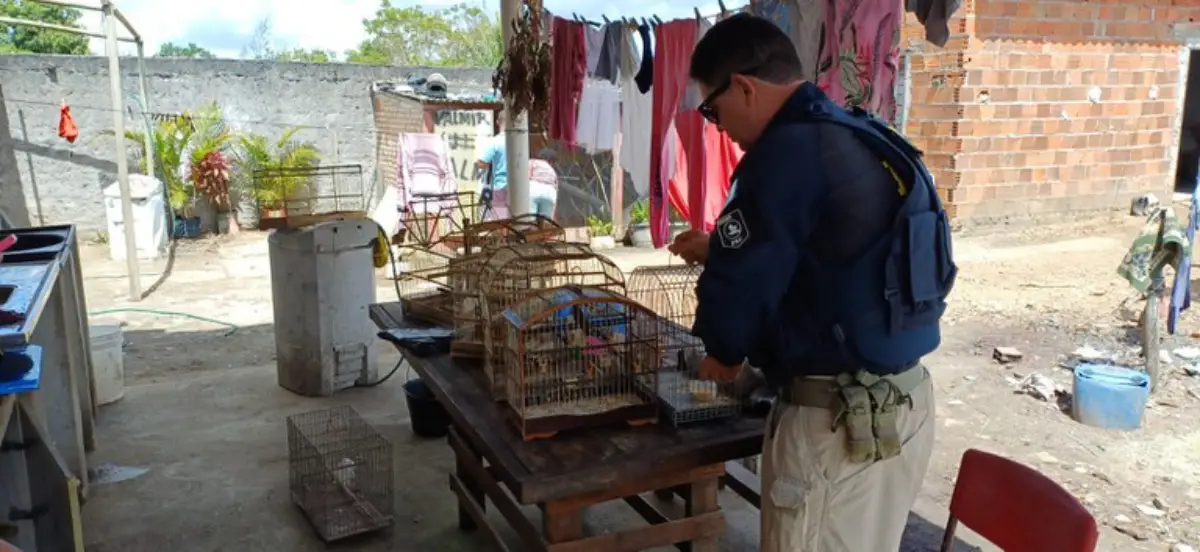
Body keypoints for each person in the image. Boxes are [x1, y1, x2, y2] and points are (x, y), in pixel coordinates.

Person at [670, 14, 956, 552]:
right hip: (904, 407)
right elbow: (841, 254)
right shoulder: (859, 134)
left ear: (745, 87)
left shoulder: (782, 153)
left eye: (713, 109)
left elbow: (739, 291)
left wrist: (723, 355)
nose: (717, 126)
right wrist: (719, 245)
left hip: (836, 424)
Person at [476, 113, 559, 219]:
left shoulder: (495, 142)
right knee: (518, 221)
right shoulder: (519, 141)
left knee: (502, 222)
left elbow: (481, 163)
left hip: (500, 186)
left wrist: (493, 163)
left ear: (497, 122)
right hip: (519, 187)